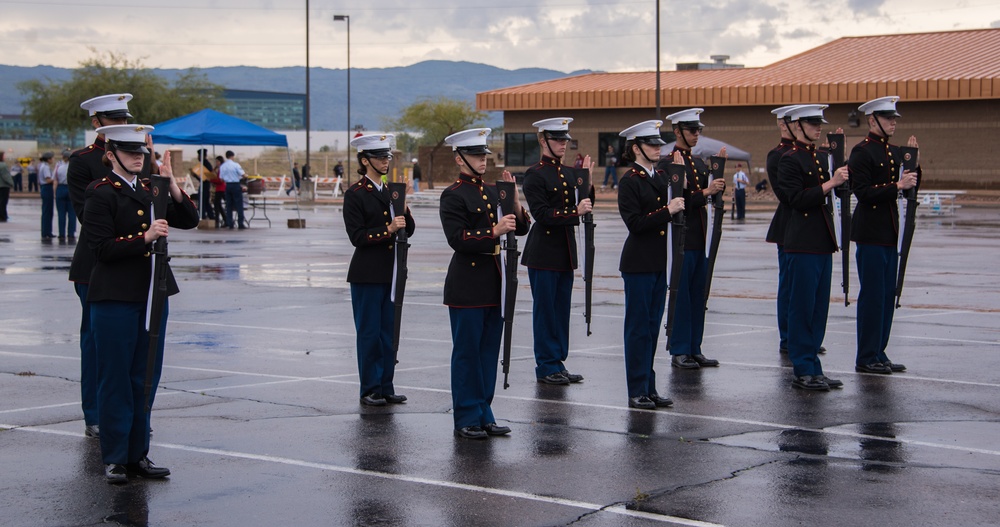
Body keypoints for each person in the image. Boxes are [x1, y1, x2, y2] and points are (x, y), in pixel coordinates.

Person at [84, 124, 198, 483]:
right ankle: (116, 457)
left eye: (142, 152)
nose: (138, 157)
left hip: (152, 293)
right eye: (131, 151)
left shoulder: (153, 188)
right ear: (111, 153)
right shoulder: (101, 193)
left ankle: (138, 455)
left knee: (145, 377)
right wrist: (144, 237)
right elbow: (100, 249)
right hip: (115, 295)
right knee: (116, 376)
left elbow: (189, 220)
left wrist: (173, 185)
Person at [439, 127, 529, 439]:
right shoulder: (452, 195)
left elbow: (523, 227)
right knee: (467, 353)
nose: (483, 160)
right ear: (459, 158)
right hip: (467, 284)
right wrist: (493, 231)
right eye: (476, 155)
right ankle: (465, 417)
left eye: (484, 154)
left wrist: (516, 201)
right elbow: (458, 239)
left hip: (494, 281)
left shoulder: (492, 191)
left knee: (489, 351)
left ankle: (484, 412)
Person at [69, 93, 135, 438]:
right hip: (97, 262)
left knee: (132, 346)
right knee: (96, 342)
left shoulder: (140, 157)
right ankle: (95, 415)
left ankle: (128, 416)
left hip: (135, 261)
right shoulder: (83, 161)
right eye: (114, 120)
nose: (122, 125)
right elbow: (86, 215)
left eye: (124, 120)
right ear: (97, 123)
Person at [776, 104, 848, 391]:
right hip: (802, 241)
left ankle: (814, 366)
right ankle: (802, 367)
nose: (818, 128)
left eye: (819, 124)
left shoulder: (819, 158)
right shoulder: (789, 159)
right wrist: (830, 183)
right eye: (812, 124)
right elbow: (795, 198)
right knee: (802, 307)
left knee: (818, 308)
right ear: (797, 126)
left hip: (821, 240)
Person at [617, 120, 685, 409]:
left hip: (658, 261)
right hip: (638, 263)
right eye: (652, 144)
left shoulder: (658, 176)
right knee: (638, 329)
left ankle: (649, 385)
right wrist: (666, 211)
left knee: (653, 327)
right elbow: (635, 223)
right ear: (636, 148)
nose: (658, 148)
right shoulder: (630, 181)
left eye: (659, 144)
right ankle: (637, 389)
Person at [519, 117, 593, 386]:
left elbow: (585, 204)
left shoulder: (569, 173)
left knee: (561, 310)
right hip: (544, 252)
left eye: (565, 139)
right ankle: (546, 365)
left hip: (565, 253)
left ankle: (558, 361)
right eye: (557, 139)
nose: (563, 144)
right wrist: (575, 211)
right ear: (543, 141)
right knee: (546, 311)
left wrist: (588, 182)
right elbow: (541, 214)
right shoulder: (535, 174)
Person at [849, 96, 920, 375]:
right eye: (888, 118)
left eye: (894, 119)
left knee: (887, 295)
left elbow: (906, 188)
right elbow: (863, 192)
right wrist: (896, 185)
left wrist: (914, 166)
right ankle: (866, 356)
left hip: (891, 232)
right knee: (873, 296)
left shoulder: (892, 152)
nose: (893, 123)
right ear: (872, 120)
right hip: (871, 233)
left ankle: (879, 351)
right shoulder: (862, 152)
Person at [343, 134, 415, 406]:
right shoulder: (356, 194)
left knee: (389, 331)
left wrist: (405, 210)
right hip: (367, 273)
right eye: (379, 157)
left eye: (387, 157)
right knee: (370, 333)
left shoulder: (390, 191)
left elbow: (409, 228)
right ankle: (370, 388)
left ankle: (386, 385)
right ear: (365, 160)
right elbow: (358, 237)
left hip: (391, 271)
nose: (386, 161)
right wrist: (388, 229)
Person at [657, 108, 724, 370]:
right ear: (678, 131)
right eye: (692, 130)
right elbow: (677, 199)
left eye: (699, 130)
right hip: (681, 238)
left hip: (699, 236)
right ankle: (680, 348)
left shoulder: (696, 162)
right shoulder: (668, 163)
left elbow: (705, 194)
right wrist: (706, 191)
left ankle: (695, 346)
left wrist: (717, 178)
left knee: (698, 294)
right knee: (681, 295)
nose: (697, 135)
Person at [765, 105, 802, 357]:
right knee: (789, 285)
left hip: (810, 226)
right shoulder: (777, 155)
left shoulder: (806, 153)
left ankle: (802, 336)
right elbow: (787, 195)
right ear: (782, 125)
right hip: (789, 225)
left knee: (804, 287)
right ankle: (788, 337)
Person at [219, 150, 247, 229]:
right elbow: (243, 175)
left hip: (227, 186)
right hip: (235, 185)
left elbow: (221, 179)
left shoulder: (222, 166)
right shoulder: (235, 165)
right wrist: (245, 177)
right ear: (232, 156)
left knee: (229, 205)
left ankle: (230, 223)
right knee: (239, 205)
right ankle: (240, 223)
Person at [54, 150, 77, 241]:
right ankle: (71, 233)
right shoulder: (74, 166)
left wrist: (54, 193)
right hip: (71, 189)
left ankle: (61, 234)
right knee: (72, 213)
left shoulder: (58, 165)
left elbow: (55, 179)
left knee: (61, 213)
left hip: (60, 188)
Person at [192, 149, 216, 219]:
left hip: (205, 185)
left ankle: (203, 216)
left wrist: (195, 176)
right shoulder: (204, 164)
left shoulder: (206, 164)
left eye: (199, 156)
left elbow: (205, 178)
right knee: (205, 202)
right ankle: (211, 216)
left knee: (202, 201)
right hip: (204, 184)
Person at [38, 152, 56, 240]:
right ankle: (46, 232)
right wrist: (56, 178)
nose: (53, 160)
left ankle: (47, 231)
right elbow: (48, 180)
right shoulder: (45, 167)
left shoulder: (43, 165)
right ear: (48, 159)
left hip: (45, 188)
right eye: (52, 158)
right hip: (47, 188)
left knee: (47, 211)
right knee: (47, 211)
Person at [212, 156, 226, 228]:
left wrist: (212, 180)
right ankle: (225, 219)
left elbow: (220, 180)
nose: (216, 163)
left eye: (217, 161)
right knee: (218, 205)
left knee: (216, 205)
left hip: (220, 188)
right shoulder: (219, 169)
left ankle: (217, 221)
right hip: (220, 188)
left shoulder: (221, 169)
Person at [0, 152, 12, 221]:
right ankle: (3, 216)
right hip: (3, 186)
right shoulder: (3, 165)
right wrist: (11, 183)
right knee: (3, 202)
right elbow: (6, 176)